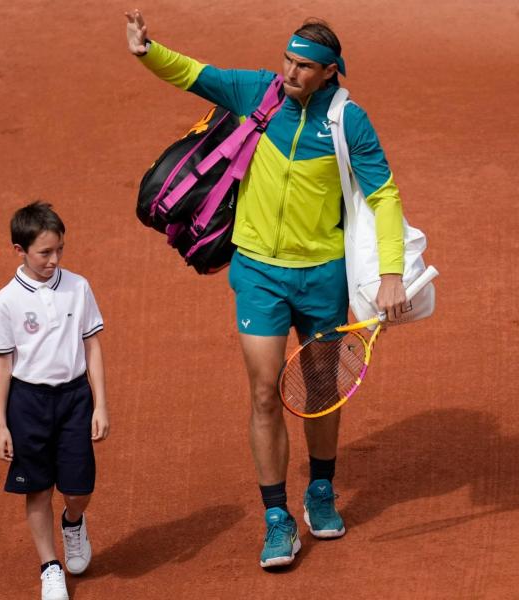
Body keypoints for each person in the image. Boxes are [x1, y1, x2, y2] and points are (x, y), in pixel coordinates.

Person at [125, 9, 409, 568]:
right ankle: (276, 516)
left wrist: (394, 271)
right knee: (262, 393)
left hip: (323, 273)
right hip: (258, 271)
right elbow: (193, 74)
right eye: (288, 60)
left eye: (304, 66)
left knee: (322, 386)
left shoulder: (349, 122)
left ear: (330, 72)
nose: (290, 73)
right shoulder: (260, 92)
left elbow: (385, 196)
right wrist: (146, 50)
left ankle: (321, 489)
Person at [0, 201, 110, 600]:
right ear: (19, 250)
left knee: (79, 489)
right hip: (28, 403)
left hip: (75, 398)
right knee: (37, 489)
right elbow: (3, 363)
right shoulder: (5, 301)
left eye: (59, 249)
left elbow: (91, 346)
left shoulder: (78, 286)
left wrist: (101, 404)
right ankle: (50, 566)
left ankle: (73, 523)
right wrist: (1, 424)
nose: (54, 259)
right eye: (44, 253)